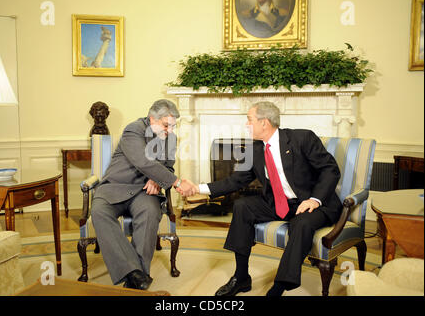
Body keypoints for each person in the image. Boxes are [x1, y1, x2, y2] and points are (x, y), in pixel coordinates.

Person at [194, 101, 342, 296]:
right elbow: (235, 181)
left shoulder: (302, 138)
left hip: (314, 203)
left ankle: (279, 286)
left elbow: (330, 170)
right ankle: (241, 277)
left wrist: (314, 199)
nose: (246, 125)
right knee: (242, 206)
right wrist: (198, 188)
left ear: (264, 122)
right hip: (281, 203)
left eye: (249, 120)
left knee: (302, 224)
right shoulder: (254, 149)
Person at [90, 99, 196, 290]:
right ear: (151, 119)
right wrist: (178, 182)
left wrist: (156, 179)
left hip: (143, 191)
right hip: (114, 187)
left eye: (173, 126)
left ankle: (135, 281)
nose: (170, 131)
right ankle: (135, 274)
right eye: (166, 125)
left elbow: (168, 167)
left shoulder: (170, 139)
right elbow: (144, 162)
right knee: (99, 211)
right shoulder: (134, 130)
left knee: (150, 212)